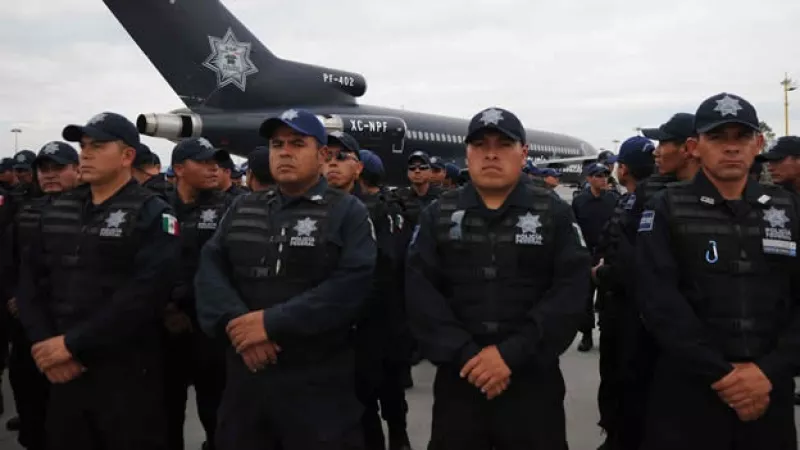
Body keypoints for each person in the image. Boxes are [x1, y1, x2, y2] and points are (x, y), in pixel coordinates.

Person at [406, 107, 591, 449]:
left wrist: (510, 354)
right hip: (461, 381)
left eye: (503, 144)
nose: (491, 153)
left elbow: (571, 291)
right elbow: (420, 292)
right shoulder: (440, 214)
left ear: (523, 152)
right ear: (468, 153)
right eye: (480, 144)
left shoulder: (553, 212)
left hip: (532, 383)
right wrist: (466, 356)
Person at [195, 108, 376, 450]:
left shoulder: (347, 212)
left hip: (316, 383)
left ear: (322, 154)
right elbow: (211, 268)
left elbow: (351, 285)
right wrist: (239, 326)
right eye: (277, 144)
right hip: (245, 375)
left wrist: (271, 323)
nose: (285, 152)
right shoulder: (243, 207)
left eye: (297, 143)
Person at [636, 93, 800, 450]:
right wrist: (722, 375)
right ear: (695, 146)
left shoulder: (787, 208)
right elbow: (658, 300)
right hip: (690, 391)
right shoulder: (666, 207)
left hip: (769, 391)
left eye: (740, 137)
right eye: (717, 137)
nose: (731, 148)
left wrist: (768, 371)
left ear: (758, 144)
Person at [16, 112, 180, 450]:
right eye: (84, 145)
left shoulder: (153, 213)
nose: (85, 153)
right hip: (61, 370)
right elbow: (30, 283)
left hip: (126, 373)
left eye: (98, 146)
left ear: (126, 156)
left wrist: (71, 344)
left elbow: (145, 295)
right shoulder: (57, 211)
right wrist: (46, 343)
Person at [323, 133, 412, 450]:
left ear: (358, 167)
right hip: (335, 329)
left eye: (341, 157)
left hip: (377, 321)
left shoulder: (379, 210)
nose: (332, 163)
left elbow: (387, 267)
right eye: (327, 157)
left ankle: (399, 436)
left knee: (386, 389)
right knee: (356, 405)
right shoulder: (314, 212)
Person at [164, 137, 231, 450]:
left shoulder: (229, 207)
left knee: (215, 406)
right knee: (164, 410)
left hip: (209, 325)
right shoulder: (156, 208)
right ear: (179, 168)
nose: (213, 168)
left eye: (215, 162)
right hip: (163, 324)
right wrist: (165, 308)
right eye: (203, 162)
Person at [591, 136, 655, 450]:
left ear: (623, 168)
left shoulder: (649, 202)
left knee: (628, 378)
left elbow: (633, 263)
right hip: (615, 305)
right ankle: (615, 432)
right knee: (616, 375)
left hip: (632, 307)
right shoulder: (626, 200)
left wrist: (602, 271)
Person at [572, 163, 618, 352]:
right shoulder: (579, 201)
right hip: (586, 255)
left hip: (607, 256)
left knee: (608, 299)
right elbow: (573, 229)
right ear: (589, 178)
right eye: (598, 176)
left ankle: (607, 334)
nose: (602, 179)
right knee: (585, 299)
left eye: (605, 175)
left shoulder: (614, 199)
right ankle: (586, 335)